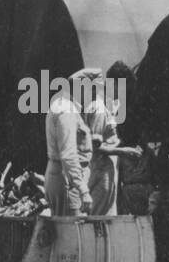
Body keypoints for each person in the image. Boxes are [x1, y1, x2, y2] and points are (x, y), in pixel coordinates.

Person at [44, 74, 93, 216]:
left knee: (63, 233)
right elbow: (68, 155)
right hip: (68, 182)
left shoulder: (61, 105)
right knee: (72, 234)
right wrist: (83, 190)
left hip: (63, 177)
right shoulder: (67, 111)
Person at [81, 67, 121, 216]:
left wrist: (113, 114)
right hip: (101, 169)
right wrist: (123, 149)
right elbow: (96, 146)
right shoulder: (98, 109)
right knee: (99, 217)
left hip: (102, 168)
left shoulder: (100, 107)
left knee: (101, 215)